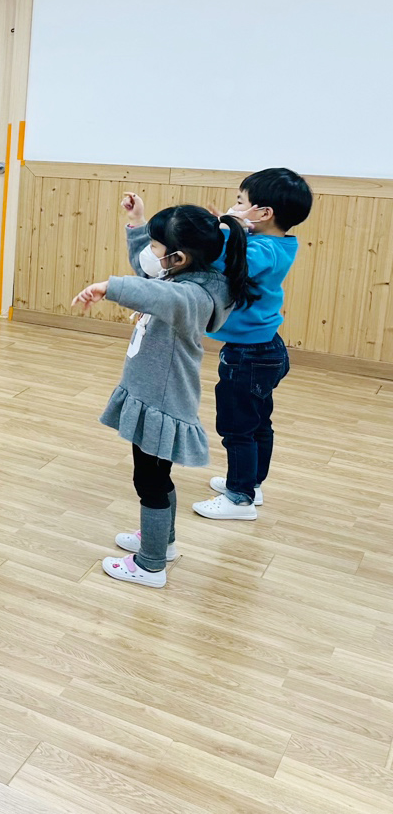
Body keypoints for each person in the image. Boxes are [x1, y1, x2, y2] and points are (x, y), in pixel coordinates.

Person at [73, 196, 250, 588]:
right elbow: (149, 275)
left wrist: (109, 287)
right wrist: (138, 223)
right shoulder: (187, 277)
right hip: (153, 395)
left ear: (179, 258)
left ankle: (150, 564)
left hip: (162, 402)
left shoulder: (191, 297)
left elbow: (155, 293)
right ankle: (161, 542)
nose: (151, 254)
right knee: (157, 479)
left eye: (156, 246)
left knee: (150, 483)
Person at [194, 168, 312, 521]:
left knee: (237, 428)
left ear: (263, 213)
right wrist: (232, 227)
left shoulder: (262, 250)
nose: (234, 206)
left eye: (240, 202)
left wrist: (225, 228)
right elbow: (239, 250)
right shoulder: (279, 244)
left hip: (248, 355)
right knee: (258, 423)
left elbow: (224, 264)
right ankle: (252, 484)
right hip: (264, 349)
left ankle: (239, 498)